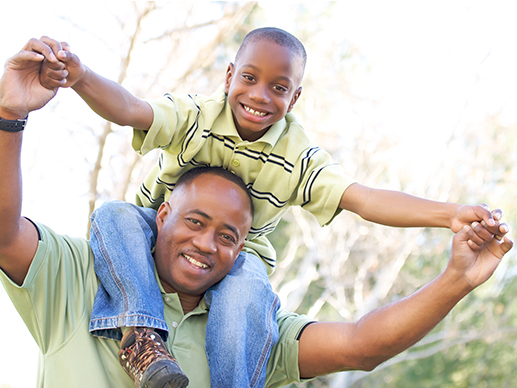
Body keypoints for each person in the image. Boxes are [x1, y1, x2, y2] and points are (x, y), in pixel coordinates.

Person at [0, 38, 514, 388]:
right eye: (195, 223)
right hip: (133, 243)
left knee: (248, 286)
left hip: (244, 286)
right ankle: (141, 334)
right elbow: (132, 109)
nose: (260, 96)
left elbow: (362, 208)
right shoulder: (77, 278)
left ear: (295, 96)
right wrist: (57, 88)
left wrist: (451, 234)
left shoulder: (243, 322)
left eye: (279, 87)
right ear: (229, 76)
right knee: (111, 215)